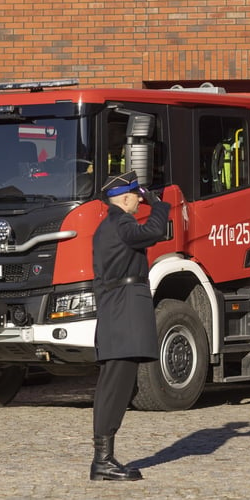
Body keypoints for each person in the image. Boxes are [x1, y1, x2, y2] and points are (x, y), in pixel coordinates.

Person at [90, 171, 170, 481]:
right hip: (123, 314)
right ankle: (103, 461)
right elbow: (155, 230)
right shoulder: (121, 223)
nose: (140, 199)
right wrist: (160, 204)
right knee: (116, 387)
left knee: (118, 386)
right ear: (124, 198)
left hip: (118, 312)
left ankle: (104, 459)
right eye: (136, 195)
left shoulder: (108, 225)